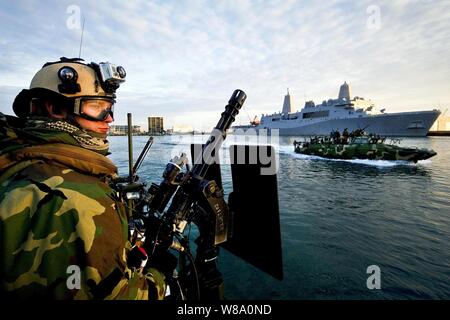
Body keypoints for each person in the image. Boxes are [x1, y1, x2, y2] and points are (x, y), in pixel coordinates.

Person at [0, 57, 168, 299]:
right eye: (97, 106)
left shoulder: (15, 158)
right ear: (55, 109)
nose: (109, 118)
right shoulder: (78, 198)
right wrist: (159, 280)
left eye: (109, 107)